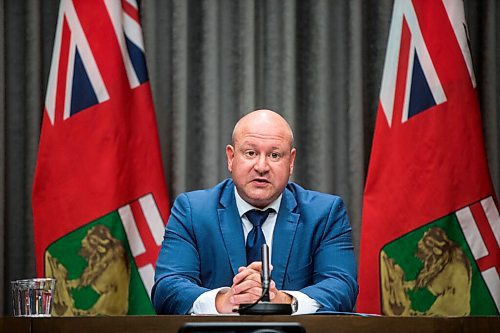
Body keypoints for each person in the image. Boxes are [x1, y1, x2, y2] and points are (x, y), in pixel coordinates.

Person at [152, 109, 358, 314]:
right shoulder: (192, 211)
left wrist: (285, 301)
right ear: (231, 157)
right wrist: (224, 300)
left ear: (291, 161)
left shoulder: (324, 213)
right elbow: (167, 288)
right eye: (250, 153)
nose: (261, 166)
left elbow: (341, 287)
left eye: (274, 155)